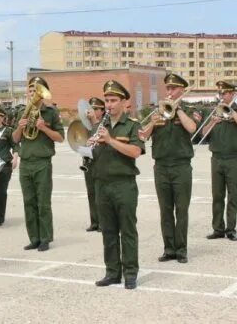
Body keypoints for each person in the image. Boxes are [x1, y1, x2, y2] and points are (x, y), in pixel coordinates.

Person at [139, 74, 198, 264]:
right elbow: (143, 135)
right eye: (168, 89)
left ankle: (181, 250)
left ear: (182, 90)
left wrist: (178, 109)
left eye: (174, 89)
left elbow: (191, 128)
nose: (170, 92)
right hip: (161, 166)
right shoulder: (157, 111)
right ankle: (169, 249)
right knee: (165, 210)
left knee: (181, 209)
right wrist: (153, 120)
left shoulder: (190, 110)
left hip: (181, 166)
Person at [93, 80, 144, 290]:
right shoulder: (100, 125)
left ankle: (130, 272)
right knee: (108, 231)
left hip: (124, 185)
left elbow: (135, 152)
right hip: (102, 184)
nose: (109, 105)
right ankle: (112, 272)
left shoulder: (132, 125)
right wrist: (90, 147)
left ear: (123, 102)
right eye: (107, 101)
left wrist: (110, 140)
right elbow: (95, 155)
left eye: (113, 100)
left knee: (128, 230)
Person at [13, 76, 64, 252]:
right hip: (26, 162)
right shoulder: (22, 112)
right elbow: (15, 139)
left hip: (42, 162)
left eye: (37, 90)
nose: (33, 93)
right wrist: (20, 126)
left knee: (43, 202)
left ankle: (45, 238)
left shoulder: (51, 112)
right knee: (29, 202)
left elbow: (60, 138)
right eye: (31, 90)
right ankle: (33, 238)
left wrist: (44, 128)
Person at [201, 81, 237, 242]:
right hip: (216, 158)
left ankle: (231, 229)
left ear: (232, 95)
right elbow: (203, 133)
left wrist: (231, 112)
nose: (222, 96)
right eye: (220, 94)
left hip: (234, 159)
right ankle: (218, 228)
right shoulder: (213, 111)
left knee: (233, 195)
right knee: (217, 195)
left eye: (225, 94)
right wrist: (213, 121)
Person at [81, 97, 106, 232]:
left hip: (101, 161)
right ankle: (94, 221)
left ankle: (103, 222)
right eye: (91, 109)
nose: (93, 111)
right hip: (88, 161)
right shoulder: (86, 125)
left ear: (102, 111)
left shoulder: (104, 124)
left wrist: (94, 121)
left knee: (100, 193)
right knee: (91, 192)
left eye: (96, 109)